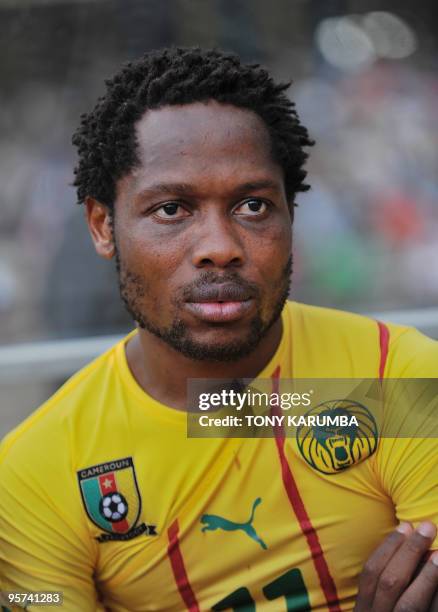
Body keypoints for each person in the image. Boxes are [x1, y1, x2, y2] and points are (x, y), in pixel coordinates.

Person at [1, 47, 438, 612]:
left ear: (291, 215)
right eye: (171, 210)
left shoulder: (398, 378)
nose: (220, 249)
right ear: (102, 225)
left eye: (253, 205)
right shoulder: (33, 475)